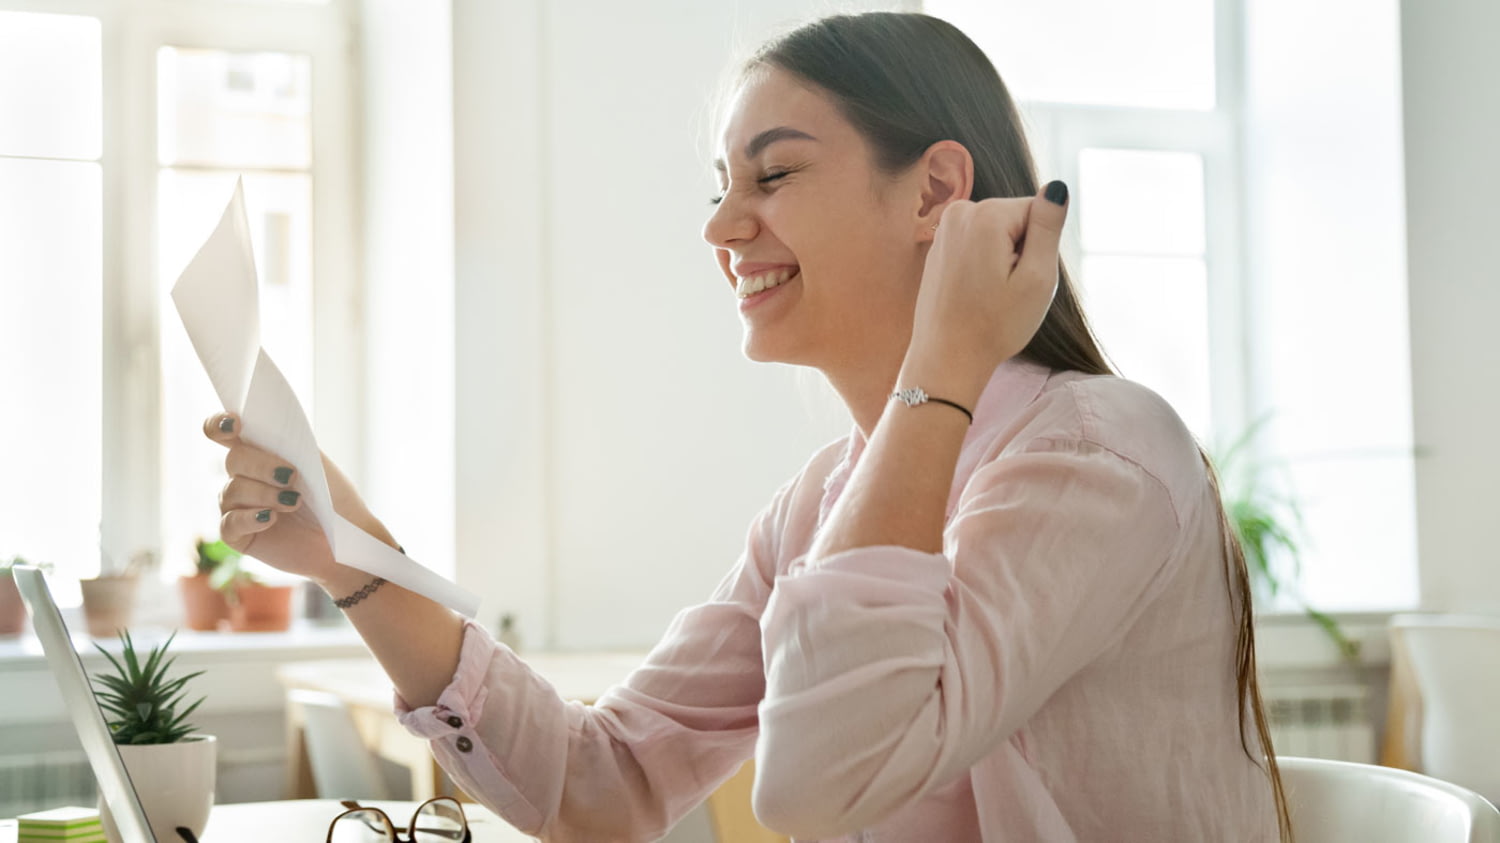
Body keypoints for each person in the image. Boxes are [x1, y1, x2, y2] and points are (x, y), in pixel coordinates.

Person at [205, 12, 1287, 842]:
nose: (722, 227)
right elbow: (604, 781)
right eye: (720, 186)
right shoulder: (827, 500)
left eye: (772, 174)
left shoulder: (1095, 455)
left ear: (936, 194)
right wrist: (348, 549)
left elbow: (821, 782)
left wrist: (945, 360)